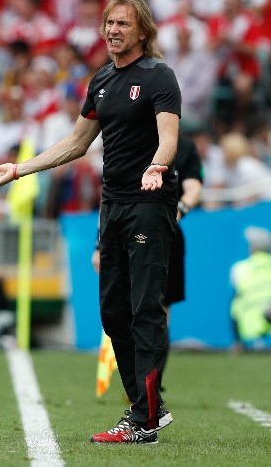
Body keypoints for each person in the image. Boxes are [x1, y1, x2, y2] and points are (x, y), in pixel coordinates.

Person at [0, 0, 181, 444]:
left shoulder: (159, 76)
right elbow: (75, 143)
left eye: (123, 24)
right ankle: (147, 408)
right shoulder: (103, 79)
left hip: (150, 204)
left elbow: (169, 136)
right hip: (113, 207)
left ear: (142, 31)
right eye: (109, 23)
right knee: (113, 311)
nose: (113, 30)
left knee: (145, 308)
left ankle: (144, 417)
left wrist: (157, 166)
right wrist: (19, 169)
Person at [92, 132, 203, 378]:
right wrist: (99, 244)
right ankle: (135, 376)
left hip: (164, 232)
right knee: (122, 306)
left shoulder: (183, 145)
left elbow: (194, 187)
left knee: (159, 309)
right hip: (123, 229)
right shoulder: (128, 138)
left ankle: (151, 380)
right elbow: (109, 195)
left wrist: (179, 210)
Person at [230, 226, 271, 350]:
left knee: (235, 302)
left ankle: (238, 344)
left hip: (249, 330)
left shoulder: (240, 268)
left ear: (252, 247)